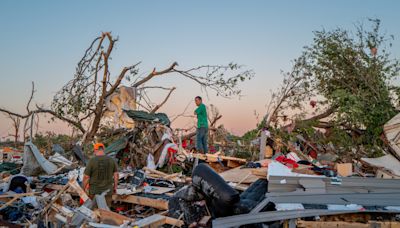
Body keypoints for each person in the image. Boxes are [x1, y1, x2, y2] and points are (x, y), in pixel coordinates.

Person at [83, 143, 118, 207]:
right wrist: (115, 187)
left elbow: (86, 177)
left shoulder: (92, 161)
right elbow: (116, 175)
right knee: (106, 211)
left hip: (94, 192)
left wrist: (83, 187)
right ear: (103, 149)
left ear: (95, 150)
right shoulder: (111, 160)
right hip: (108, 191)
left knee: (93, 212)